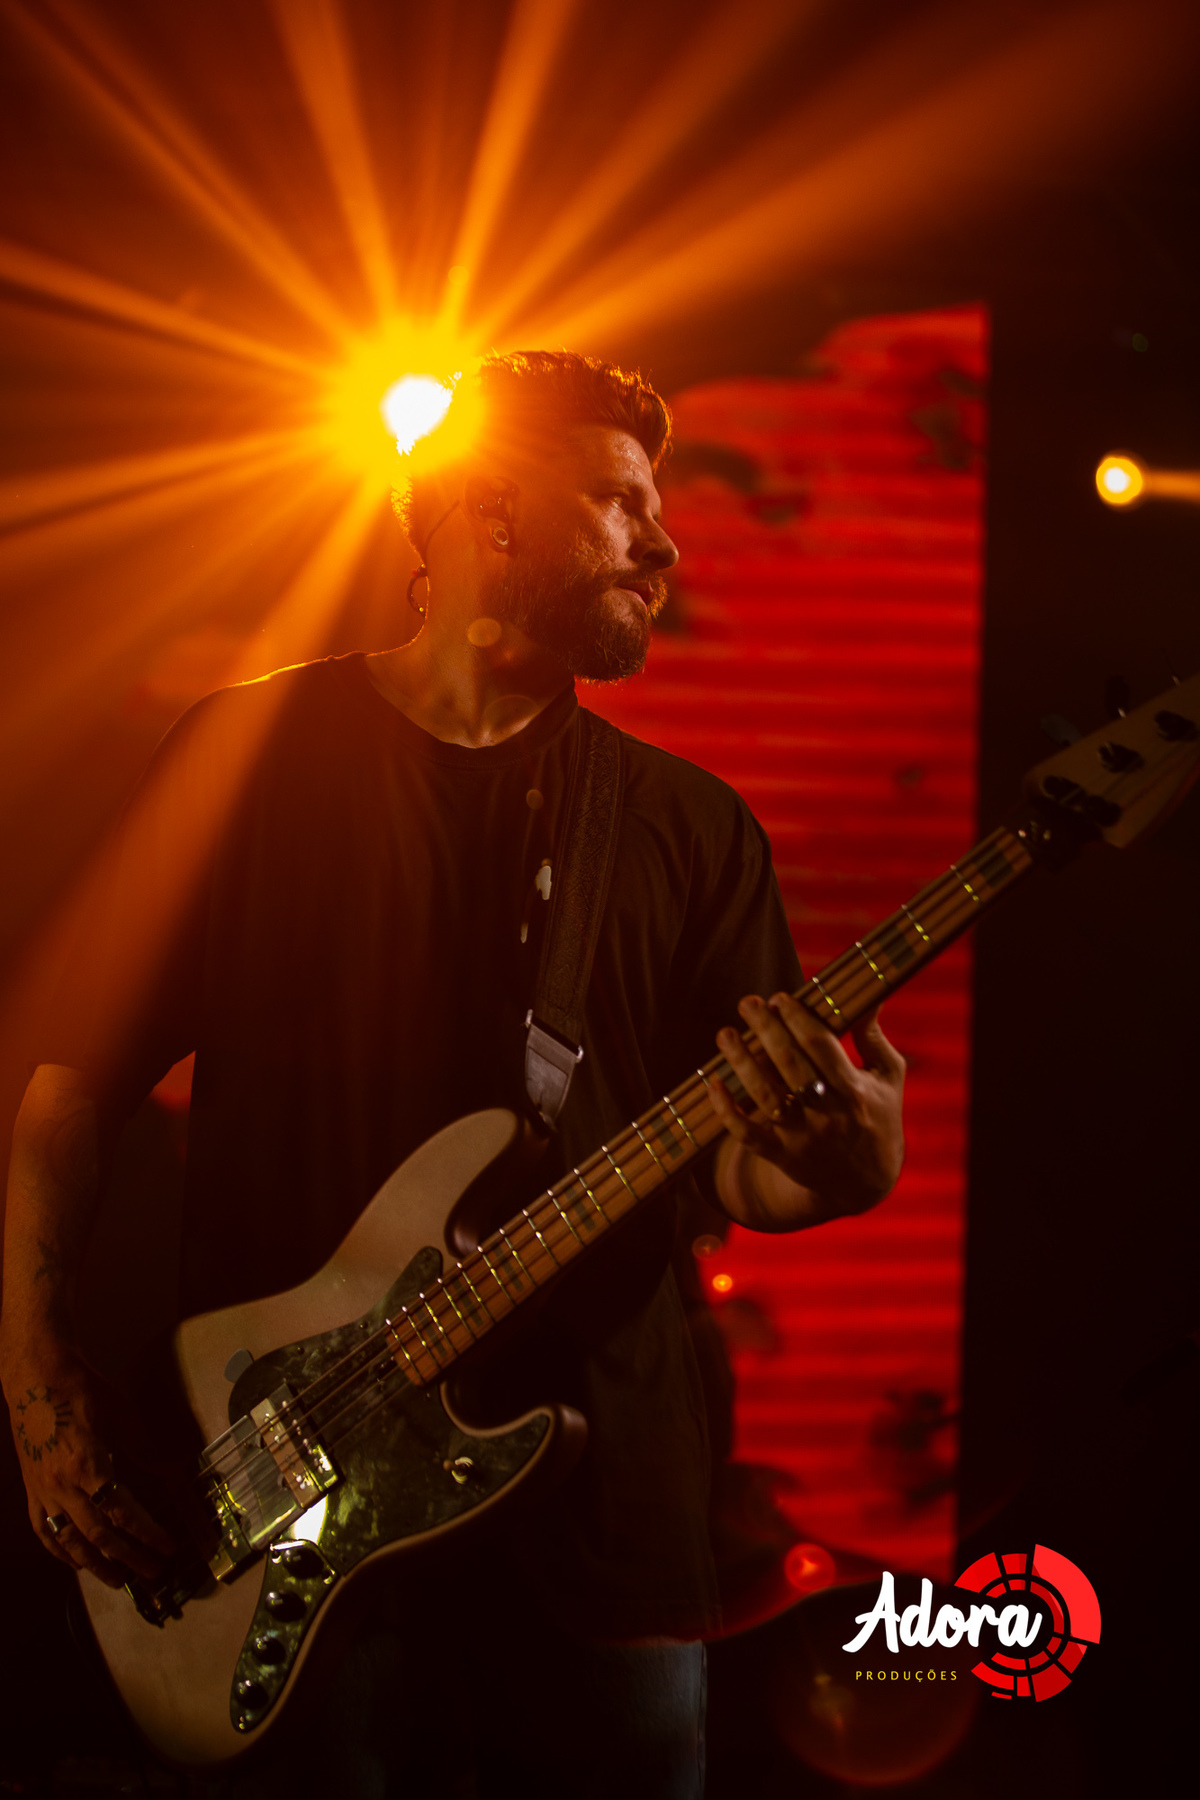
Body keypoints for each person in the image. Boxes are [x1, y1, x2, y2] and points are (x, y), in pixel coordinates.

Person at [1, 351, 905, 1797]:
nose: (663, 545)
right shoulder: (243, 755)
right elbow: (69, 1089)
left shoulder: (688, 827)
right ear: (492, 512)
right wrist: (37, 1386)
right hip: (289, 1511)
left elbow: (737, 1164)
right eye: (616, 503)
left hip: (602, 1531)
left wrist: (843, 1163)